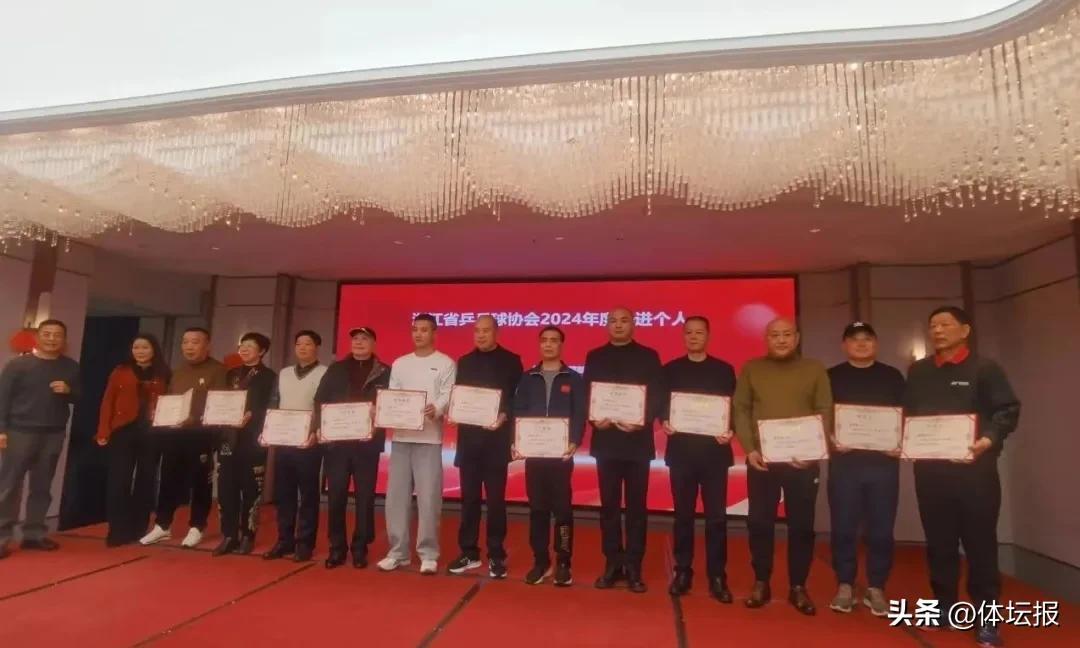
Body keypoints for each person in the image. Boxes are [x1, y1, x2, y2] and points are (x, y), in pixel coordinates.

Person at [906, 306, 1019, 648]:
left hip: (975, 474)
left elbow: (1006, 410)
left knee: (980, 546)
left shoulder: (985, 368)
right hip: (931, 473)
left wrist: (988, 439)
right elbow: (908, 414)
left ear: (965, 330)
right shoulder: (919, 371)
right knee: (939, 544)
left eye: (945, 324)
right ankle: (944, 608)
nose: (938, 331)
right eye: (933, 325)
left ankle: (987, 620)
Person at [734, 317, 831, 615]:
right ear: (766, 339)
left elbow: (825, 409)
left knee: (801, 525)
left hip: (803, 462)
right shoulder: (752, 368)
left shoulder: (814, 369)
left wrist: (814, 450)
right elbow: (741, 409)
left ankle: (798, 586)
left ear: (796, 338)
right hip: (762, 460)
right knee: (759, 523)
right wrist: (749, 449)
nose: (781, 340)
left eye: (787, 334)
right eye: (775, 335)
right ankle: (761, 581)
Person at [826, 322, 906, 616]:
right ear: (844, 345)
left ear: (876, 344)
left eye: (867, 339)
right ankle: (845, 584)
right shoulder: (830, 376)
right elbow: (820, 416)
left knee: (881, 529)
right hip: (844, 465)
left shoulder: (892, 376)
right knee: (843, 527)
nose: (861, 344)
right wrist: (831, 438)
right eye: (854, 339)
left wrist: (900, 442)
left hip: (883, 466)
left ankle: (876, 586)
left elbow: (906, 416)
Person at [584, 307, 662, 593]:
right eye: (613, 321)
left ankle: (634, 566)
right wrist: (594, 418)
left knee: (637, 508)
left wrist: (642, 420)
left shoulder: (648, 356)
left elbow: (656, 395)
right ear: (607, 325)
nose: (618, 325)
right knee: (609, 507)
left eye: (624, 320)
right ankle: (613, 563)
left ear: (634, 324)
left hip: (637, 444)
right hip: (606, 443)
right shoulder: (595, 356)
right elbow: (588, 394)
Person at [660, 316, 736, 602]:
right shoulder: (670, 370)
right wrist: (664, 420)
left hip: (715, 455)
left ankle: (717, 575)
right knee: (683, 516)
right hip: (681, 454)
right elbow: (661, 405)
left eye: (699, 332)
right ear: (683, 336)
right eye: (688, 332)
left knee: (716, 518)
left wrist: (731, 429)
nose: (693, 337)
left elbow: (734, 407)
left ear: (708, 336)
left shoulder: (724, 370)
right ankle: (683, 571)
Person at [377, 314, 456, 575]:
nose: (419, 334)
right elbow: (393, 395)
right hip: (401, 438)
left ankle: (428, 554)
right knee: (396, 499)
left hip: (429, 439)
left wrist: (438, 408)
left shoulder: (445, 363)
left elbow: (447, 394)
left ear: (434, 333)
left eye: (424, 330)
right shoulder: (400, 363)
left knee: (429, 499)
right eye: (415, 330)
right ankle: (397, 552)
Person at [447, 315, 523, 579]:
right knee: (469, 500)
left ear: (496, 333)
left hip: (495, 443)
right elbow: (459, 396)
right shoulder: (465, 361)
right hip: (469, 442)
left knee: (495, 502)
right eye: (477, 331)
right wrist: (454, 412)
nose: (480, 335)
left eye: (486, 331)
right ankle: (469, 552)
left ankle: (496, 555)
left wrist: (504, 415)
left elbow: (517, 398)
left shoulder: (511, 361)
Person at [0, 319, 81, 559]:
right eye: (47, 334)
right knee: (9, 486)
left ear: (64, 340)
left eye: (57, 335)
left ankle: (34, 535)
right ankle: (2, 538)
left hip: (54, 432)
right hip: (19, 431)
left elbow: (80, 396)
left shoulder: (70, 366)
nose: (52, 339)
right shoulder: (18, 365)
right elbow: (2, 398)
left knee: (42, 486)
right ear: (38, 337)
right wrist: (1, 430)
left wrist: (69, 391)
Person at [512, 326, 586, 586]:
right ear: (539, 344)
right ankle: (541, 561)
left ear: (561, 345)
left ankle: (564, 562)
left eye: (554, 340)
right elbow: (518, 411)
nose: (548, 344)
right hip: (534, 455)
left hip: (561, 456)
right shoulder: (528, 377)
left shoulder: (574, 378)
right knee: (538, 510)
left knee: (563, 510)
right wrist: (517, 441)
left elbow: (579, 413)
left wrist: (575, 440)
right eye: (544, 340)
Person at [141, 327, 226, 548]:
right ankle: (162, 525)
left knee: (200, 482)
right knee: (168, 478)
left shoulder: (218, 370)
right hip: (174, 433)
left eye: (195, 342)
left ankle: (197, 526)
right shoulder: (177, 371)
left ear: (207, 345)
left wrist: (195, 418)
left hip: (201, 434)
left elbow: (220, 404)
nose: (189, 347)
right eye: (185, 342)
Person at [314, 326, 390, 569]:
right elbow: (319, 400)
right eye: (355, 338)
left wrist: (379, 414)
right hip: (337, 445)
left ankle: (360, 548)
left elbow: (393, 405)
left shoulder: (385, 372)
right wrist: (320, 427)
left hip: (367, 445)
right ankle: (337, 548)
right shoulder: (336, 369)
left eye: (364, 339)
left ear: (373, 344)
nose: (359, 342)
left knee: (365, 498)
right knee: (335, 497)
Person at [96, 333, 171, 547]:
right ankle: (117, 530)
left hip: (153, 432)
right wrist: (103, 430)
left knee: (146, 479)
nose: (140, 351)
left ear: (154, 350)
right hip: (123, 430)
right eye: (136, 347)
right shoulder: (120, 371)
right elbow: (108, 401)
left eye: (145, 347)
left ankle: (139, 528)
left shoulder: (163, 373)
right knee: (119, 480)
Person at [262, 330, 327, 563]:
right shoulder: (284, 373)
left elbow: (325, 406)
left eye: (308, 344)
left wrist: (316, 431)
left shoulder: (325, 373)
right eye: (299, 343)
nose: (302, 348)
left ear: (317, 347)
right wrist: (268, 429)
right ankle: (284, 540)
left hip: (309, 442)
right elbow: (273, 403)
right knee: (284, 493)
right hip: (283, 440)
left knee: (308, 494)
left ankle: (305, 543)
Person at [214, 332, 276, 556]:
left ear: (262, 351)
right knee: (226, 488)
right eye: (242, 345)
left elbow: (272, 405)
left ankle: (248, 534)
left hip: (253, 438)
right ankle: (229, 535)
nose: (244, 349)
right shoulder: (230, 374)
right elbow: (219, 401)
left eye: (250, 345)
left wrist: (253, 415)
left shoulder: (269, 376)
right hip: (228, 438)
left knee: (251, 488)